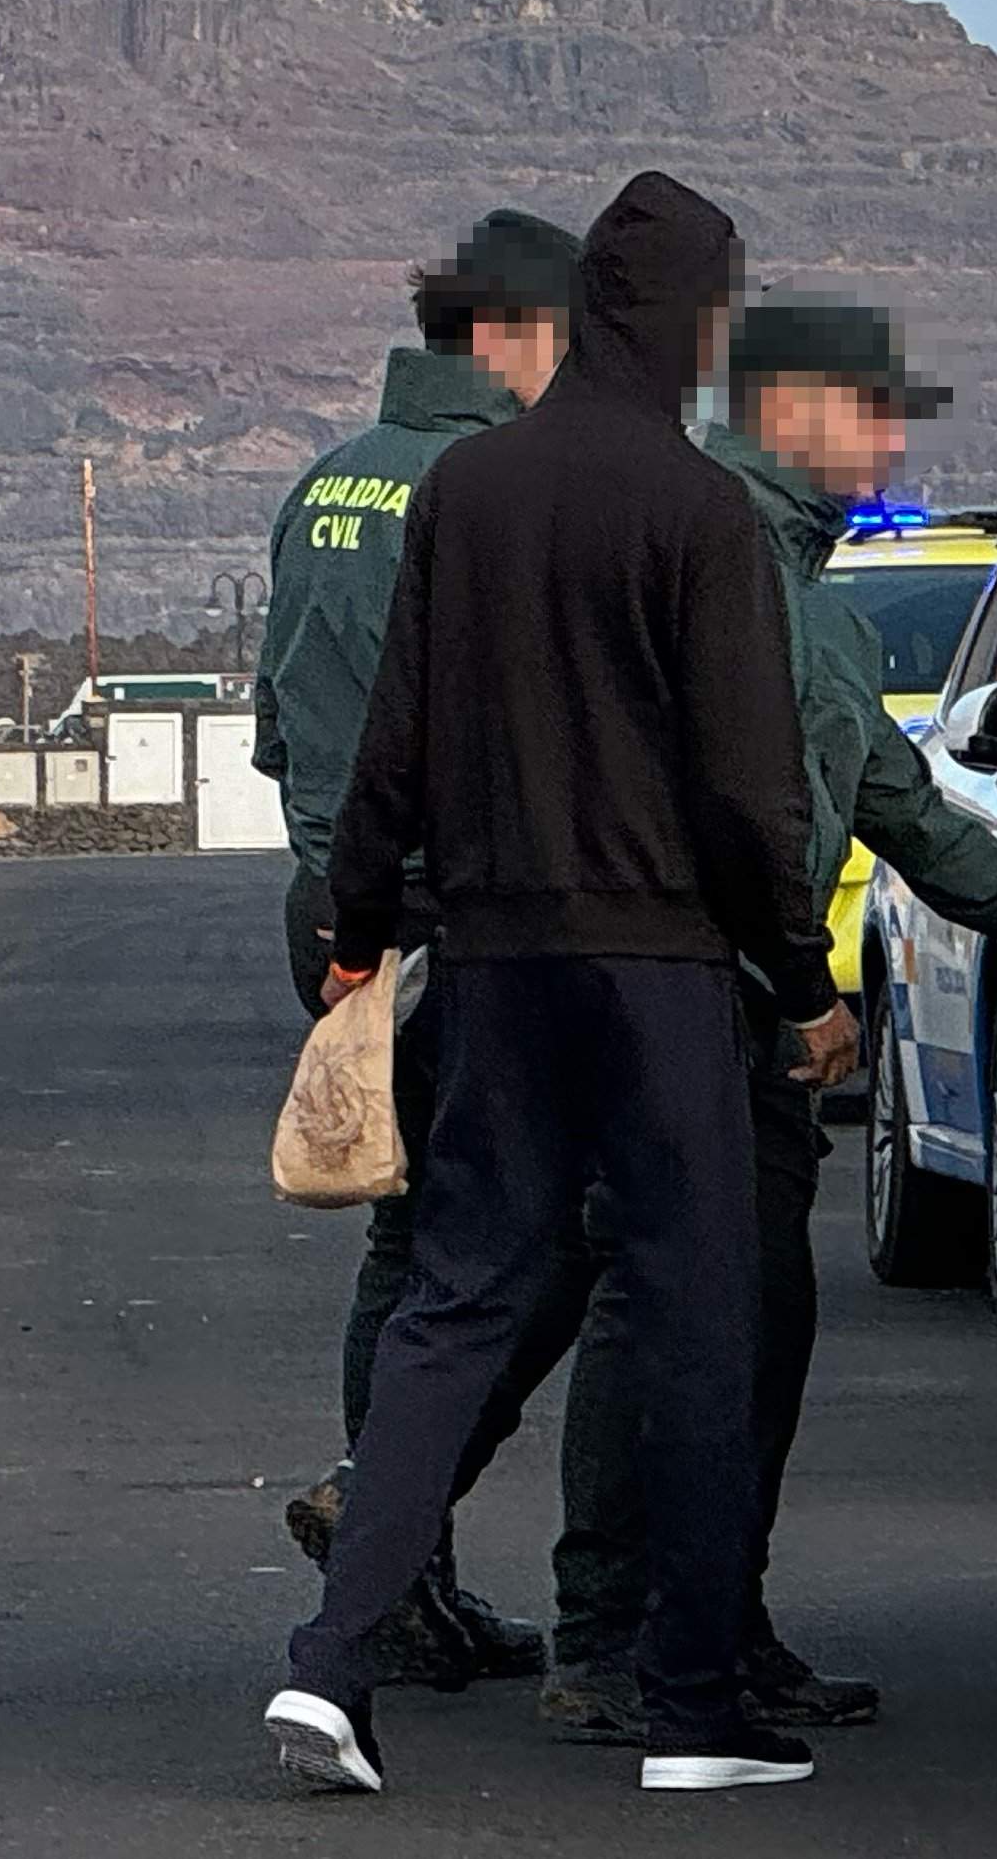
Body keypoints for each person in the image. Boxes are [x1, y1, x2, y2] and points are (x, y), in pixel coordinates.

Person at [264, 171, 844, 1798]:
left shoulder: (470, 495)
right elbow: (749, 793)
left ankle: (330, 1666)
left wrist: (361, 929)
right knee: (694, 1323)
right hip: (660, 976)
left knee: (455, 1306)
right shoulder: (700, 511)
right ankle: (694, 1707)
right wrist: (799, 979)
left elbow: (394, 743)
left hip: (500, 964)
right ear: (694, 323)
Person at [541, 298, 997, 1740]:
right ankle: (608, 1636)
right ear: (792, 417)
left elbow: (898, 809)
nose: (890, 445)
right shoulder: (709, 568)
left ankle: (715, 1618)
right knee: (653, 1317)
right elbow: (731, 817)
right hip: (675, 1004)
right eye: (870, 416)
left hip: (739, 1014)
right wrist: (800, 983)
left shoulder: (813, 608)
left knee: (750, 1328)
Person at [251, 205, 588, 1693]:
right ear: (510, 335)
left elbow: (271, 720)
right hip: (451, 919)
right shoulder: (480, 484)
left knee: (401, 1241)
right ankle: (388, 1542)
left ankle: (401, 1571)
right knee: (491, 1253)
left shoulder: (322, 483)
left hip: (331, 909)